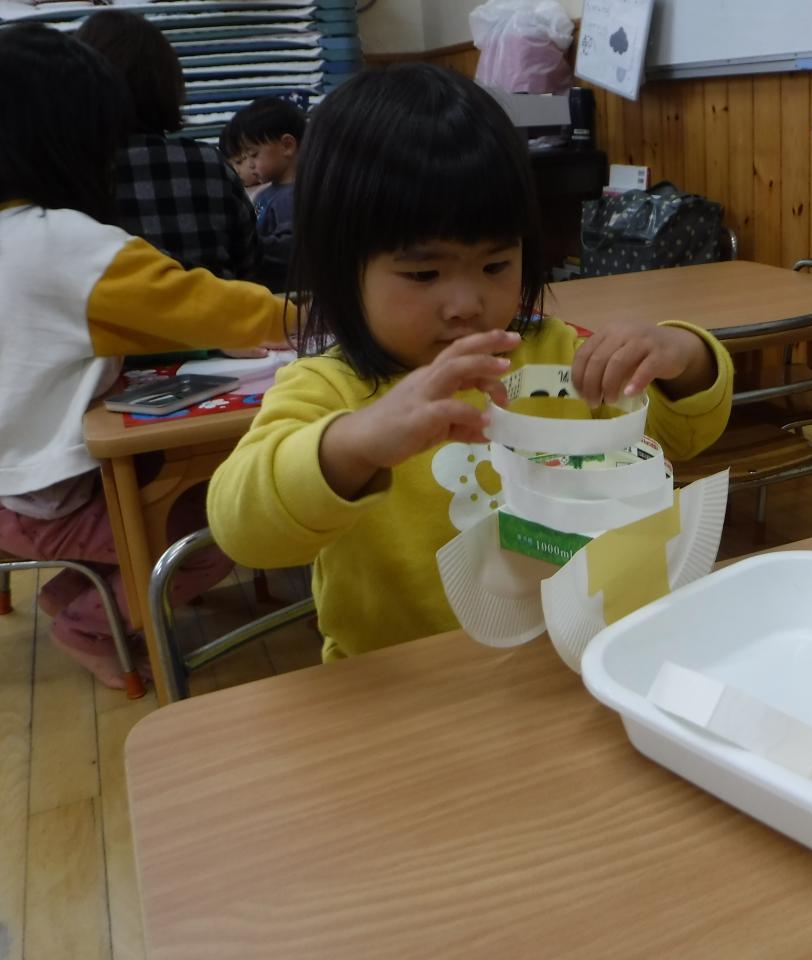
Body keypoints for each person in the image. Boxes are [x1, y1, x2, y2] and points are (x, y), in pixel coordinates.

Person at [207, 64, 733, 663]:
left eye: (495, 265)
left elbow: (678, 439)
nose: (467, 304)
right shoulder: (327, 389)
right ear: (341, 268)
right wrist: (354, 445)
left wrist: (685, 359)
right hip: (402, 686)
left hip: (562, 659)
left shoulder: (555, 352)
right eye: (423, 273)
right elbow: (242, 530)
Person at [0, 23, 296, 689]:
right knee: (219, 534)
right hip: (41, 497)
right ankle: (88, 625)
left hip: (19, 490)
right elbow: (211, 304)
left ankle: (79, 596)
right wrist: (318, 316)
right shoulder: (62, 242)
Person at [75, 9, 259, 282]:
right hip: (213, 307)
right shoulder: (208, 164)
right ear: (168, 84)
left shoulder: (71, 173)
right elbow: (249, 263)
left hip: (110, 310)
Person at [222, 96, 307, 292]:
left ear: (287, 146)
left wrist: (243, 244)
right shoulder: (267, 193)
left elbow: (291, 249)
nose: (250, 165)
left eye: (254, 154)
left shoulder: (290, 198)